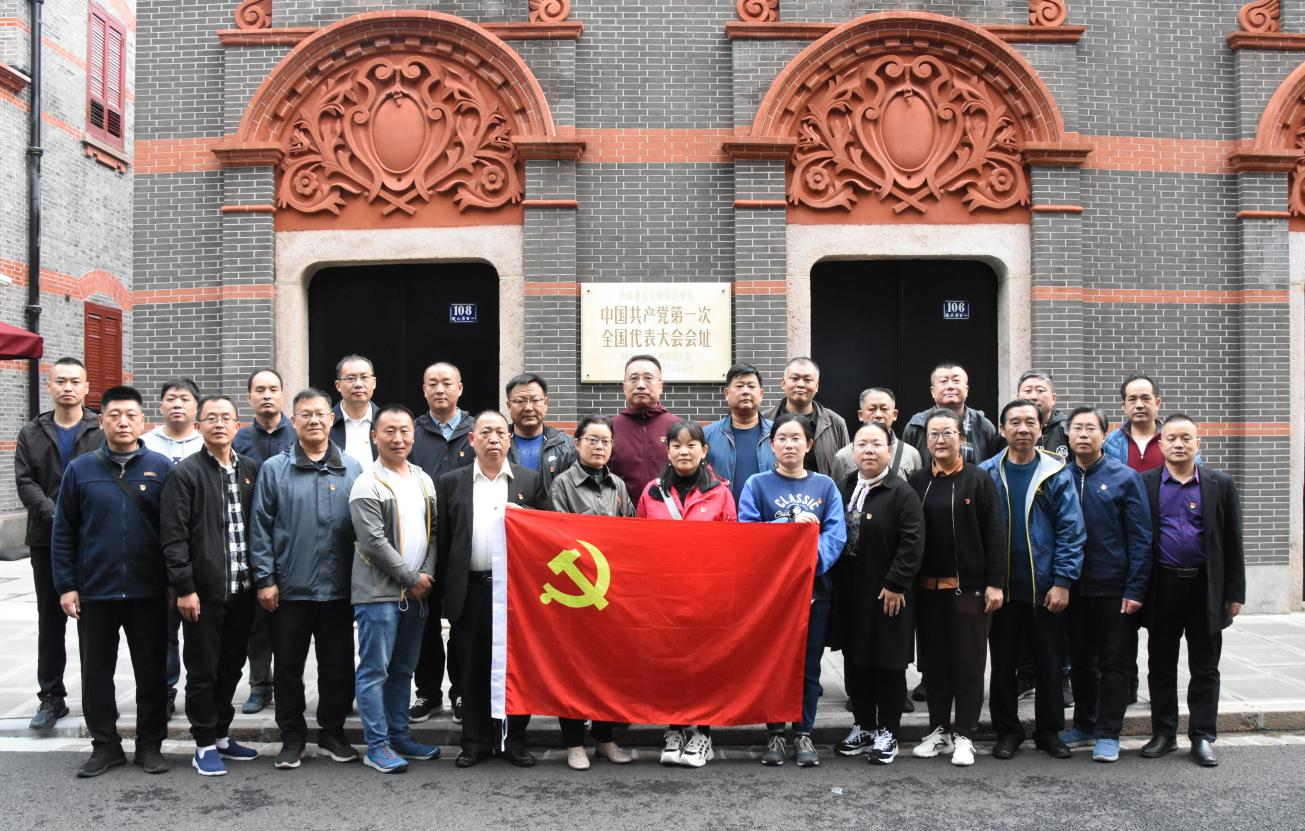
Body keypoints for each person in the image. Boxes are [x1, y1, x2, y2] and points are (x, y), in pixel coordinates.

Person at [50, 385, 173, 778]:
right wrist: (66, 585)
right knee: (96, 675)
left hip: (148, 591)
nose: (123, 422)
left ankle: (150, 745)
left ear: (142, 421)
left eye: (131, 415)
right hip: (96, 591)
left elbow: (173, 532)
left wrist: (174, 584)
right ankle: (105, 746)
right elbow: (63, 531)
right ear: (101, 421)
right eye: (114, 415)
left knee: (151, 673)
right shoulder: (80, 470)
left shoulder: (162, 468)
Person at [251, 388, 363, 770]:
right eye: (305, 414)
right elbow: (260, 528)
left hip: (338, 591)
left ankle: (332, 733)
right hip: (289, 590)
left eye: (320, 414)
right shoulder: (274, 469)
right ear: (294, 420)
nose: (314, 420)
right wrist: (265, 579)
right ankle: (292, 737)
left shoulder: (352, 469)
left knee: (338, 667)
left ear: (331, 419)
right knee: (287, 668)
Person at [436, 410, 550, 768]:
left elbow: (545, 536)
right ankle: (475, 742)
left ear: (509, 438)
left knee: (515, 668)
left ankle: (513, 740)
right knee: (471, 669)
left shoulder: (529, 481)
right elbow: (444, 542)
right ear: (472, 440)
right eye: (485, 433)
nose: (493, 439)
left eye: (500, 432)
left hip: (515, 592)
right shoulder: (451, 482)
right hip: (470, 589)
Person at [159, 394, 262, 776]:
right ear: (199, 425)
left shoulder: (249, 469)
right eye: (211, 418)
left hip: (243, 590)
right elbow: (174, 537)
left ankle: (221, 734)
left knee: (231, 667)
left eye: (226, 418)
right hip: (203, 594)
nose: (219, 424)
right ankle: (203, 743)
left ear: (237, 426)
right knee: (203, 671)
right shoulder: (185, 473)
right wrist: (185, 588)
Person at [740, 412, 847, 768]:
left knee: (808, 665)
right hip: (772, 595)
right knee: (775, 664)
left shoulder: (825, 486)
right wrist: (789, 524)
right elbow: (749, 533)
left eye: (796, 438)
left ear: (809, 444)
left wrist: (806, 563)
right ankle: (775, 733)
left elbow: (836, 536)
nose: (789, 444)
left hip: (814, 591)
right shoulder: (757, 484)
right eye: (782, 438)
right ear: (772, 445)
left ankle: (803, 732)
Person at [980, 399, 1085, 761]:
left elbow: (1071, 531)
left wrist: (1063, 581)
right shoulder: (988, 473)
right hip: (1002, 590)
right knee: (1003, 665)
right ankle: (1007, 732)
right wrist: (988, 581)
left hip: (1045, 589)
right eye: (1015, 422)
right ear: (1002, 429)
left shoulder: (1056, 472)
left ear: (1041, 429)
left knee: (1049, 665)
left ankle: (1049, 732)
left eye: (1030, 422)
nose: (1023, 429)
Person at [1140, 415, 1245, 767]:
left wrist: (1235, 592)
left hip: (1206, 587)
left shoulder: (1220, 484)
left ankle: (1202, 736)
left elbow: (1232, 541)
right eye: (1171, 438)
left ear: (1198, 443)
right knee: (1160, 664)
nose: (1179, 444)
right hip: (1163, 586)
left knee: (1205, 666)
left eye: (1186, 438)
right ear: (1161, 444)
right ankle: (1164, 733)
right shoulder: (1146, 483)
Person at [907, 408, 1005, 767]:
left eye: (947, 433)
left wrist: (995, 584)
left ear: (961, 438)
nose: (940, 440)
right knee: (934, 667)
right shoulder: (918, 481)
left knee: (968, 665)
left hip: (970, 591)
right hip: (927, 592)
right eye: (933, 434)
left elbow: (995, 534)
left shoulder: (978, 480)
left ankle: (965, 735)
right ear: (926, 441)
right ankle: (938, 732)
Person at [637, 419, 737, 768]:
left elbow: (732, 547)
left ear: (704, 450)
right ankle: (676, 728)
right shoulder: (651, 492)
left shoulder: (720, 493)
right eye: (676, 445)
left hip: (705, 595)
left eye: (691, 445)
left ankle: (703, 734)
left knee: (704, 664)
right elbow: (640, 544)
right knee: (671, 665)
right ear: (667, 451)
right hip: (663, 596)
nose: (684, 451)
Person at [348, 405, 440, 774]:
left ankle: (399, 736)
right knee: (375, 671)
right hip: (379, 595)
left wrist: (425, 574)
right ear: (375, 436)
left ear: (413, 436)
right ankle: (377, 745)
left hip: (416, 594)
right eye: (389, 431)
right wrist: (410, 578)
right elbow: (373, 542)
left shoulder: (423, 479)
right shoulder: (367, 482)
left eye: (404, 430)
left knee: (403, 670)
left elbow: (434, 533)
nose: (397, 438)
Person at [1057, 407, 1151, 763]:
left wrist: (1135, 588)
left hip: (1113, 587)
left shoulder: (1124, 478)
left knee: (1115, 662)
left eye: (1090, 429)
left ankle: (1109, 732)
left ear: (1104, 435)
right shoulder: (1058, 476)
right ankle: (1084, 723)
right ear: (1068, 435)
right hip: (1072, 587)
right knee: (1080, 661)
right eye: (1077, 428)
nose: (1083, 434)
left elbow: (1141, 538)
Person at [14, 356, 103, 730]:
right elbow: (25, 482)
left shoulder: (100, 429)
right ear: (49, 386)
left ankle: (96, 698)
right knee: (50, 620)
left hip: (93, 540)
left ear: (86, 387)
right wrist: (57, 514)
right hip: (46, 540)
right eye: (61, 381)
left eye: (75, 381)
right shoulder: (31, 432)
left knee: (93, 622)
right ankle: (51, 697)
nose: (68, 387)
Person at [830, 421, 924, 765]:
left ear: (889, 450)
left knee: (888, 663)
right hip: (851, 593)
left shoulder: (902, 492)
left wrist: (896, 583)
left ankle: (888, 732)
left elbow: (913, 541)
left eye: (876, 444)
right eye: (862, 444)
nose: (869, 450)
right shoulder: (844, 486)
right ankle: (864, 726)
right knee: (856, 662)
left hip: (888, 594)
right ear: (852, 451)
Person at [549, 414, 635, 770]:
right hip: (578, 593)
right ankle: (573, 742)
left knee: (609, 668)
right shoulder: (562, 484)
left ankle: (604, 738)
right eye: (592, 440)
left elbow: (631, 532)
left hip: (613, 594)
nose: (600, 447)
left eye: (606, 441)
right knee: (573, 669)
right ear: (577, 443)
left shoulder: (619, 485)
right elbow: (560, 537)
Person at [410, 361, 476, 724]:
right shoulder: (413, 431)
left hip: (465, 543)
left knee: (463, 624)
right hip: (423, 544)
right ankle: (428, 694)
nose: (440, 389)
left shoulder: (476, 430)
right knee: (425, 625)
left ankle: (462, 692)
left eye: (447, 383)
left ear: (460, 388)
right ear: (423, 390)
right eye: (432, 383)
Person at [232, 367, 296, 715]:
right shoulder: (239, 437)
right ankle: (260, 685)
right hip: (249, 536)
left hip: (291, 536)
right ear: (250, 398)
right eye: (260, 390)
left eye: (273, 389)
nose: (267, 395)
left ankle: (288, 685)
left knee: (289, 622)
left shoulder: (298, 433)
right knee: (257, 620)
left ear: (283, 394)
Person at [142, 376, 205, 719]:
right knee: (162, 631)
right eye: (171, 398)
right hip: (155, 553)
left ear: (196, 407)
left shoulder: (206, 443)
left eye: (184, 398)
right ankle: (164, 691)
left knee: (199, 631)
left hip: (199, 553)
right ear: (161, 405)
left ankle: (201, 694)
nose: (177, 403)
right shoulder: (144, 444)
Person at [610, 354, 682, 504]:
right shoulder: (609, 429)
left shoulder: (679, 427)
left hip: (671, 514)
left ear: (661, 386)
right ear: (624, 387)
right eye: (634, 379)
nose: (641, 385)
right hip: (622, 514)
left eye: (648, 378)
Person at [901, 362, 1002, 464]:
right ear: (932, 391)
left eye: (956, 381)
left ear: (966, 390)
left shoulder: (983, 426)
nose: (950, 386)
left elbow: (993, 466)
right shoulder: (916, 426)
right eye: (943, 381)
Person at [765, 357, 849, 477]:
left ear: (817, 386)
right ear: (783, 383)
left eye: (807, 380)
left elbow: (846, 469)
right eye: (794, 379)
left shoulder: (836, 423)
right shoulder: (764, 421)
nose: (800, 384)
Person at [703, 363, 775, 502]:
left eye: (751, 386)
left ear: (761, 394)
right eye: (739, 386)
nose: (746, 391)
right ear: (726, 393)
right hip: (722, 513)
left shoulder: (778, 434)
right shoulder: (707, 435)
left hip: (766, 513)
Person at [830, 387, 922, 484]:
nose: (878, 415)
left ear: (894, 414)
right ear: (860, 415)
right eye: (872, 409)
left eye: (884, 409)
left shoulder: (911, 455)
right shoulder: (843, 457)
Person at [505, 372, 576, 492]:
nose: (528, 408)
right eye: (520, 401)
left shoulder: (566, 445)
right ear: (509, 406)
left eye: (535, 400)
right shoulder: (496, 443)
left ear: (545, 403)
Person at [1104, 374, 1167, 472]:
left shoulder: (1173, 438)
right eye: (1132, 399)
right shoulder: (1112, 441)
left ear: (1157, 403)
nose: (1139, 405)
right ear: (1124, 406)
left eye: (1145, 398)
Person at [330, 354, 379, 468]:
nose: (358, 384)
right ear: (338, 385)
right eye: (351, 378)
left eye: (364, 377)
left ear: (373, 383)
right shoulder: (325, 423)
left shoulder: (386, 422)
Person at [1017, 371, 1069, 460]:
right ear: (1017, 398)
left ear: (1053, 398)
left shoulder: (1068, 430)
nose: (1033, 397)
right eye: (1028, 391)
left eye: (1040, 391)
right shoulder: (1009, 431)